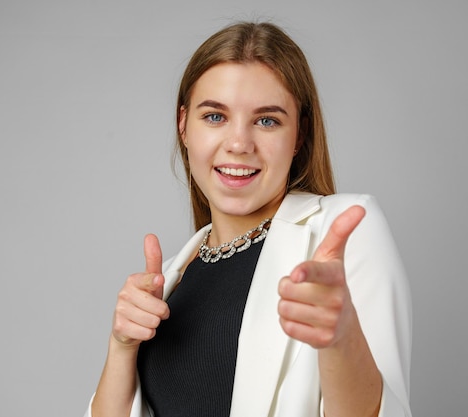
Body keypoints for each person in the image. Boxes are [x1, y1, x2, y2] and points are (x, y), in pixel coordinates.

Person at [85, 21, 412, 417]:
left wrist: (341, 341)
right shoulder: (172, 277)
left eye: (267, 120)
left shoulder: (342, 236)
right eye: (215, 117)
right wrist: (121, 345)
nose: (239, 144)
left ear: (300, 136)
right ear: (183, 125)